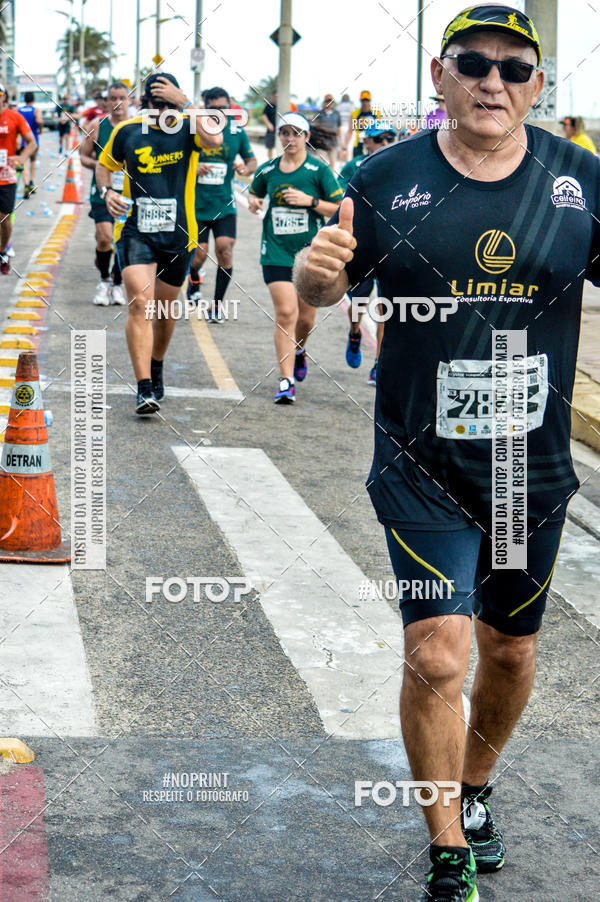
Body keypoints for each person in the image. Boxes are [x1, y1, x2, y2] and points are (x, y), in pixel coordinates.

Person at [295, 5, 600, 900]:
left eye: (514, 69)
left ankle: (474, 791)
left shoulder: (579, 180)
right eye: (474, 63)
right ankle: (445, 844)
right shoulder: (385, 177)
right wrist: (316, 279)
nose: (492, 82)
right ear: (440, 75)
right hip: (424, 462)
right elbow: (324, 286)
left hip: (529, 470)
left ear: (538, 86)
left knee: (509, 651)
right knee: (437, 652)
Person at [96, 72, 222, 415]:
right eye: (156, 104)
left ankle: (156, 363)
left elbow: (215, 137)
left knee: (165, 313)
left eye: (169, 105)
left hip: (179, 235)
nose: (163, 111)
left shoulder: (188, 127)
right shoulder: (127, 132)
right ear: (145, 104)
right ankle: (143, 387)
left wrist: (185, 103)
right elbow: (103, 167)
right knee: (140, 302)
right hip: (136, 230)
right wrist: (107, 191)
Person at [248, 112, 343, 403]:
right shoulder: (267, 171)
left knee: (305, 319)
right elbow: (254, 194)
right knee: (286, 313)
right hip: (275, 251)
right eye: (285, 133)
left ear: (306, 137)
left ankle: (300, 349)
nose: (290, 139)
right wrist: (254, 201)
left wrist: (310, 201)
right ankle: (286, 381)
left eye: (296, 133)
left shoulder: (318, 171)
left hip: (309, 254)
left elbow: (338, 208)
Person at [184, 86, 256, 319]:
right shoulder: (192, 130)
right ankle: (194, 280)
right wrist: (194, 169)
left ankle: (216, 306)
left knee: (225, 250)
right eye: (212, 108)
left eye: (222, 108)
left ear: (229, 107)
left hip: (224, 204)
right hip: (196, 205)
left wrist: (245, 168)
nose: (218, 112)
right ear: (204, 108)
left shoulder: (236, 133)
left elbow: (251, 160)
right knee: (198, 255)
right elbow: (176, 163)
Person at [339, 121, 396, 383]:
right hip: (361, 246)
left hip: (391, 247)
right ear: (367, 142)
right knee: (358, 304)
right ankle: (354, 333)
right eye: (379, 139)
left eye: (389, 138)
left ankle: (379, 363)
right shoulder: (354, 167)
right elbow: (341, 200)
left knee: (386, 308)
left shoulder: (402, 165)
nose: (384, 144)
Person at [80, 81, 130, 306]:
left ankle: (117, 283)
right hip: (101, 191)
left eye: (122, 98)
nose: (118, 103)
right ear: (106, 101)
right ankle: (104, 281)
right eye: (113, 99)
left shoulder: (137, 127)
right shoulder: (97, 125)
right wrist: (103, 166)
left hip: (127, 193)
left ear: (129, 100)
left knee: (121, 242)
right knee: (104, 238)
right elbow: (83, 156)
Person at [0, 84, 37, 273]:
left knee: (4, 219)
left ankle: (3, 250)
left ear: (5, 97)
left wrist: (22, 158)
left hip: (6, 176)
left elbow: (32, 142)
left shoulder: (15, 116)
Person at [17, 91, 43, 198]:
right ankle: (31, 182)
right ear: (33, 100)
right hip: (33, 139)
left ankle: (26, 183)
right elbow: (39, 121)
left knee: (23, 162)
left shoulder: (19, 110)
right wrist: (40, 129)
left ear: (24, 100)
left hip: (22, 139)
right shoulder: (36, 110)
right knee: (33, 160)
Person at [310, 94, 342, 170]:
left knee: (333, 164)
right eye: (327, 101)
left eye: (330, 101)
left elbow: (339, 128)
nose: (329, 103)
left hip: (333, 143)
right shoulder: (319, 113)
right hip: (321, 143)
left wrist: (341, 143)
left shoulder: (336, 114)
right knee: (321, 164)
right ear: (324, 102)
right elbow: (314, 127)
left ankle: (331, 180)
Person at [345, 90, 379, 158]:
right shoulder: (355, 113)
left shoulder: (376, 113)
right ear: (360, 101)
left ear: (370, 101)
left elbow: (380, 129)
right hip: (359, 143)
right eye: (363, 100)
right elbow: (350, 131)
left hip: (372, 143)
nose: (365, 102)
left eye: (367, 100)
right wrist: (345, 146)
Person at [336, 93, 354, 161]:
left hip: (340, 128)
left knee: (341, 149)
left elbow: (338, 123)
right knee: (349, 149)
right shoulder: (352, 107)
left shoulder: (338, 107)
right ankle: (348, 163)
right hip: (349, 127)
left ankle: (341, 164)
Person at [261, 90, 277, 159]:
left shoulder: (283, 105)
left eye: (278, 96)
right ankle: (270, 160)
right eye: (275, 96)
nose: (277, 98)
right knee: (270, 147)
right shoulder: (269, 105)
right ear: (273, 96)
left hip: (281, 129)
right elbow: (263, 115)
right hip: (271, 129)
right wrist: (268, 124)